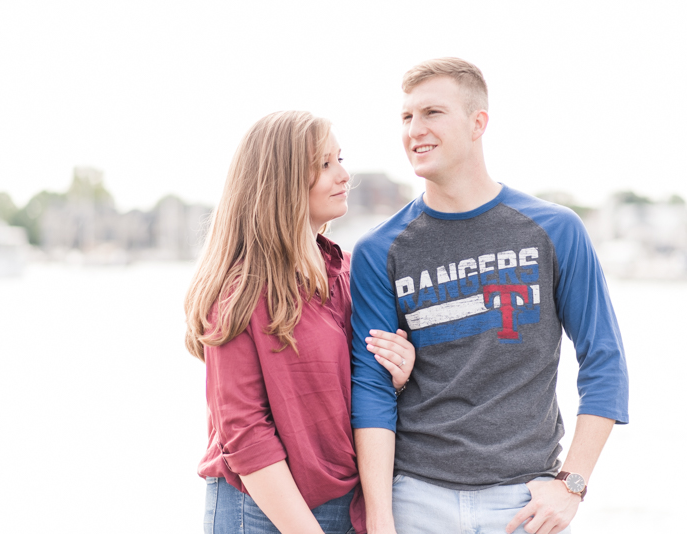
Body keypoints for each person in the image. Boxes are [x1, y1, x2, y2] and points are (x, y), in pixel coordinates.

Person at [349, 58, 629, 534]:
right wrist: (380, 517)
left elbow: (605, 362)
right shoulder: (379, 250)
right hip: (416, 501)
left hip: (525, 504)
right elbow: (372, 387)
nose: (415, 129)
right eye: (406, 117)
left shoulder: (555, 230)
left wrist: (572, 484)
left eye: (432, 113)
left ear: (478, 122)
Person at [184, 110, 416, 534]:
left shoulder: (350, 272)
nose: (345, 175)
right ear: (282, 182)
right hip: (261, 509)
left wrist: (397, 376)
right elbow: (244, 433)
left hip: (347, 503)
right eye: (325, 165)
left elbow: (359, 391)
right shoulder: (240, 290)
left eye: (340, 158)